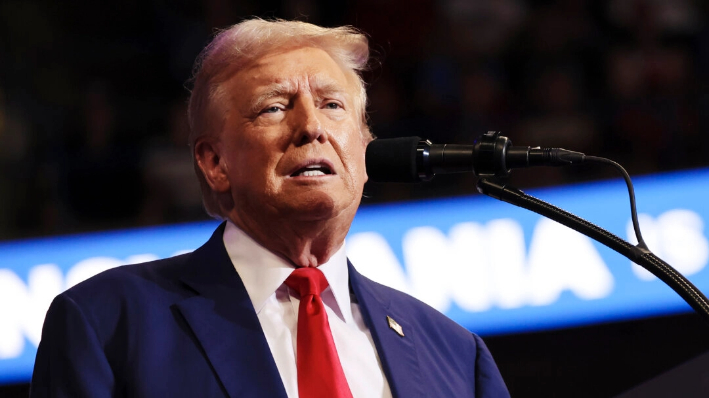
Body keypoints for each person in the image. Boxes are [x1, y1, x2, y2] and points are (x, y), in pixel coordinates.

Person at [30, 19, 509, 397]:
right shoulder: (109, 323)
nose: (311, 128)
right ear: (215, 163)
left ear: (366, 151)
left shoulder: (453, 354)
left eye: (332, 105)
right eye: (274, 107)